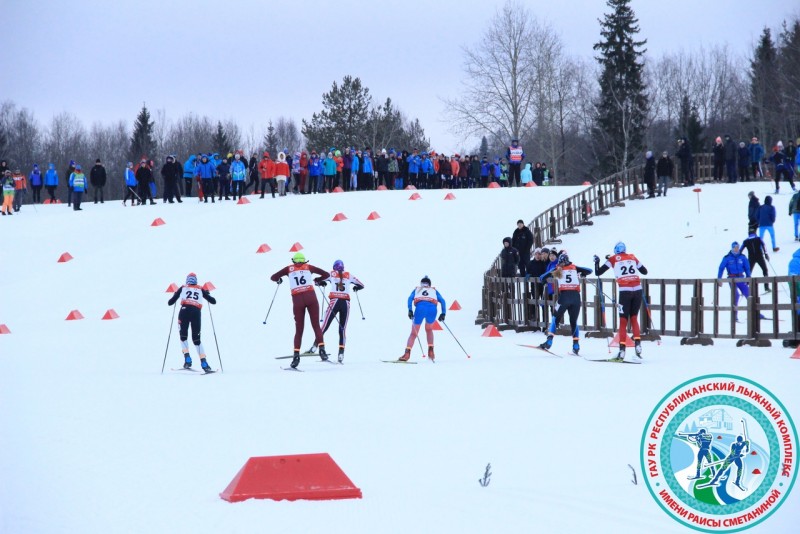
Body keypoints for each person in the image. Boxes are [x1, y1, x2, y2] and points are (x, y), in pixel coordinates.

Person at [270, 252, 331, 369]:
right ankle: (322, 351)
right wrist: (318, 279)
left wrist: (279, 280)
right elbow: (326, 274)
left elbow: (273, 277)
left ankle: (296, 357)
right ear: (304, 261)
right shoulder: (309, 267)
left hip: (297, 300)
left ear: (294, 261)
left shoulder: (289, 269)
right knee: (316, 326)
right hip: (311, 297)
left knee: (299, 329)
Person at [593, 242, 649, 360]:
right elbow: (644, 271)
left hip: (625, 291)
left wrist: (597, 262)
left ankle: (622, 351)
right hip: (638, 290)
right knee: (634, 318)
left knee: (623, 321)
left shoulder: (613, 259)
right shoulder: (632, 257)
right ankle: (638, 347)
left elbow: (598, 272)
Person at [538, 253, 592, 355]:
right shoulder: (575, 268)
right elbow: (589, 270)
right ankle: (576, 345)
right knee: (573, 321)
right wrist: (581, 272)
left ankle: (549, 341)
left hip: (564, 297)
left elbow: (542, 277)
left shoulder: (558, 268)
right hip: (576, 297)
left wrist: (545, 280)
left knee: (555, 318)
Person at [167, 273, 217, 373]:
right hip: (196, 313)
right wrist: (207, 294)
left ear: (187, 281)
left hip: (184, 311)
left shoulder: (182, 287)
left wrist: (175, 294)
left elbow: (170, 302)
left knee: (183, 336)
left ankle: (187, 359)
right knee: (196, 339)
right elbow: (213, 301)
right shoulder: (200, 288)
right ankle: (204, 363)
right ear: (196, 281)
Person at [318, 260, 364, 363]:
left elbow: (318, 280)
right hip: (346, 304)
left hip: (334, 301)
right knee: (342, 329)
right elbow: (361, 285)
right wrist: (356, 287)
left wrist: (321, 282)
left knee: (325, 325)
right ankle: (341, 354)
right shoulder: (348, 275)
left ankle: (314, 347)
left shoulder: (331, 273)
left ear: (334, 267)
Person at [398, 276, 446, 362]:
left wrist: (410, 310)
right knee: (429, 329)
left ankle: (407, 354)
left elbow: (410, 298)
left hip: (420, 309)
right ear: (429, 284)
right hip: (432, 310)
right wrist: (443, 313)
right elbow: (442, 301)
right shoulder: (434, 290)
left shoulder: (417, 289)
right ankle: (431, 351)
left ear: (421, 283)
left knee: (413, 333)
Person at [717, 242, 752, 322]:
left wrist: (748, 277)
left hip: (741, 278)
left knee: (749, 294)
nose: (736, 249)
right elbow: (721, 268)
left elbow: (747, 267)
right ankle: (734, 315)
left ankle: (756, 313)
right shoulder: (727, 257)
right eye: (735, 247)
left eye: (737, 247)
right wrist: (719, 279)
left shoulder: (742, 257)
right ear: (732, 248)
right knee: (736, 295)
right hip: (732, 279)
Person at [742, 228, 770, 292]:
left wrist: (741, 256)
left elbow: (741, 249)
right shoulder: (758, 238)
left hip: (751, 258)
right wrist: (766, 254)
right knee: (765, 270)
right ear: (755, 233)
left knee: (749, 272)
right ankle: (766, 287)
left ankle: (745, 288)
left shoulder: (745, 241)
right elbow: (763, 245)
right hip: (759, 256)